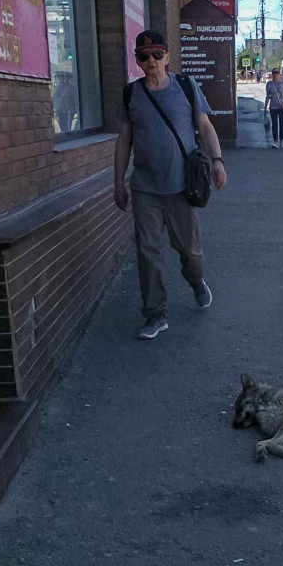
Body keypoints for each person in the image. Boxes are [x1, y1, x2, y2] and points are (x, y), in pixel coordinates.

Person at [114, 30, 228, 340]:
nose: (150, 60)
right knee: (147, 253)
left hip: (181, 187)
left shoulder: (186, 87)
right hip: (145, 188)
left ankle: (196, 281)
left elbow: (205, 126)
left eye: (156, 54)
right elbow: (124, 140)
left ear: (168, 57)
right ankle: (155, 314)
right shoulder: (130, 94)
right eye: (143, 56)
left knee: (189, 252)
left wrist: (217, 160)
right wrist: (118, 183)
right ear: (137, 60)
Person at [263, 68, 283, 149]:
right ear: (272, 74)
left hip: (282, 107)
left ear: (280, 74)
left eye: (277, 72)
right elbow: (268, 96)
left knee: (282, 124)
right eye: (274, 72)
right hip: (273, 107)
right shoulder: (269, 84)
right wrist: (265, 107)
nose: (276, 74)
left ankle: (282, 140)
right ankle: (275, 141)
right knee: (274, 124)